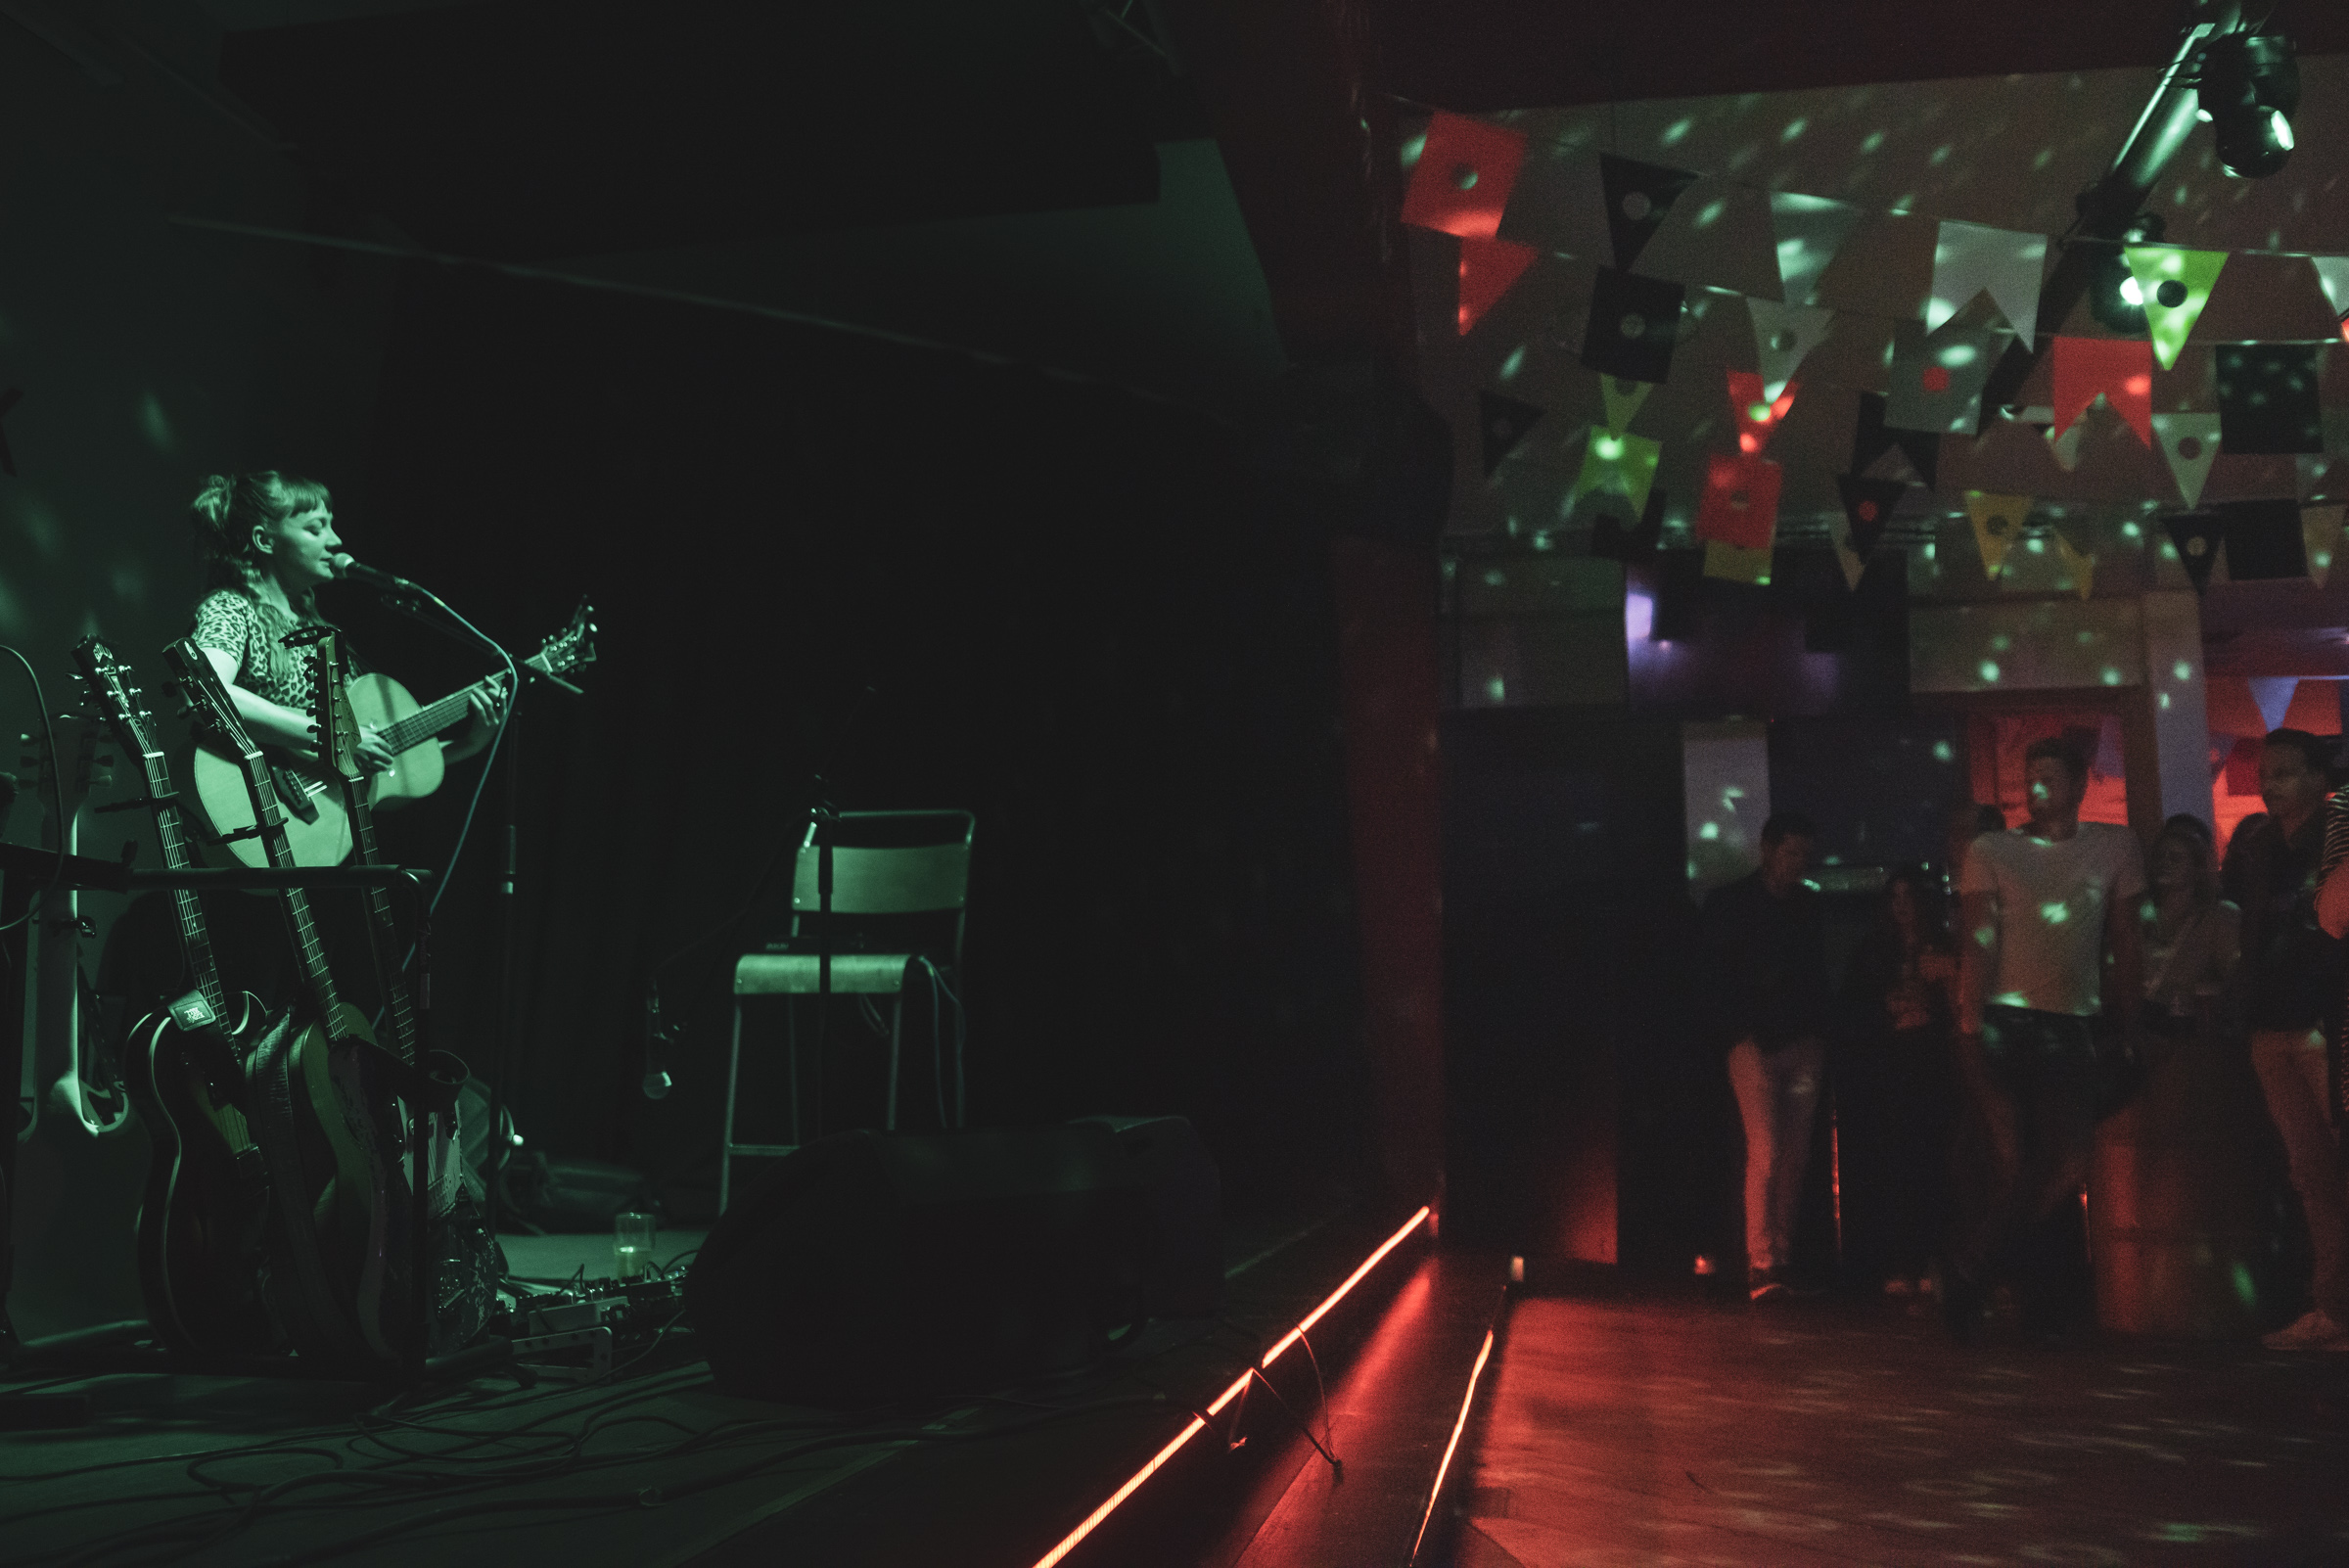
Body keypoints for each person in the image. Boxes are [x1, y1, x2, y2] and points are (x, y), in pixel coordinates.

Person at [1947, 734, 2145, 1342]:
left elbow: (2125, 942)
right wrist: (1968, 1022)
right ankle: (2025, 1296)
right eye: (2030, 777)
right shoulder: (1994, 848)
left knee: (2065, 1161)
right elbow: (1979, 938)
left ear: (2081, 784)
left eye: (2050, 777)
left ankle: (1974, 1269)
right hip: (2006, 1019)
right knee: (2018, 1159)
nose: (2037, 788)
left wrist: (2126, 1020)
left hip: (2074, 1022)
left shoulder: (2114, 844)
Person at [187, 471, 498, 773]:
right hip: (260, 804)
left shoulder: (316, 629)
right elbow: (206, 691)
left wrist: (471, 743)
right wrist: (333, 736)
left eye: (331, 526)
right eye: (315, 528)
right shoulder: (230, 608)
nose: (336, 541)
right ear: (265, 540)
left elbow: (373, 761)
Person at [2228, 728, 2349, 1351]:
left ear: (2317, 777)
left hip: (2325, 1021)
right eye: (2265, 772)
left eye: (2284, 772)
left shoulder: (2336, 835)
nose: (2270, 784)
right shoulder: (2255, 846)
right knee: (2312, 1170)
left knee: (2332, 1161)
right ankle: (2334, 1306)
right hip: (2273, 1021)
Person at [1700, 811, 1831, 1302]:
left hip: (1792, 1044)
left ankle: (1774, 1259)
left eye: (1803, 855)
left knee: (1788, 1155)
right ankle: (1765, 1258)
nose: (1799, 863)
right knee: (1771, 1150)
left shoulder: (1756, 905)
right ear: (1768, 849)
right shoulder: (1739, 906)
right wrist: (1742, 1035)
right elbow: (1718, 983)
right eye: (1793, 853)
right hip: (1757, 1044)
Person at [1836, 865, 1959, 1297]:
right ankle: (1901, 1261)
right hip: (1889, 1070)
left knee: (1936, 1163)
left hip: (1934, 1066)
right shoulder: (1874, 952)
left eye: (1910, 895)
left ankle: (1933, 1260)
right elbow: (1854, 1009)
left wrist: (1935, 1008)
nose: (1903, 904)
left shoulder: (1946, 947)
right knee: (1895, 1164)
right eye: (1895, 896)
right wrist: (1886, 1010)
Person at [2140, 814, 2238, 1046]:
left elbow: (2235, 979)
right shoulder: (2140, 913)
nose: (2164, 863)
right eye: (2160, 857)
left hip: (2191, 1037)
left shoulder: (2220, 917)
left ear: (2197, 868)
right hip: (2141, 1031)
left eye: (2174, 858)